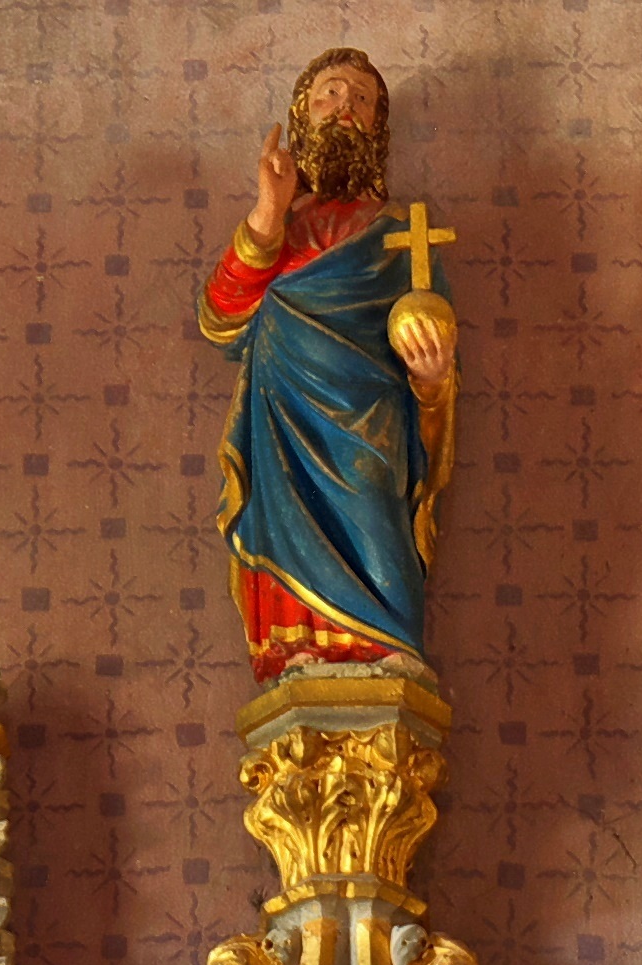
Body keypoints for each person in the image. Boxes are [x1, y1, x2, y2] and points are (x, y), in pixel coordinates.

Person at [200, 46, 456, 677]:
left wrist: (431, 376)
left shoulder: (402, 232)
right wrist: (268, 209)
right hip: (283, 419)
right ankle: (297, 652)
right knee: (287, 519)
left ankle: (386, 645)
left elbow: (436, 350)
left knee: (373, 497)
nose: (346, 109)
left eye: (362, 100)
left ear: (378, 128)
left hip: (372, 420)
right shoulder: (275, 228)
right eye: (331, 94)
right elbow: (221, 320)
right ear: (302, 115)